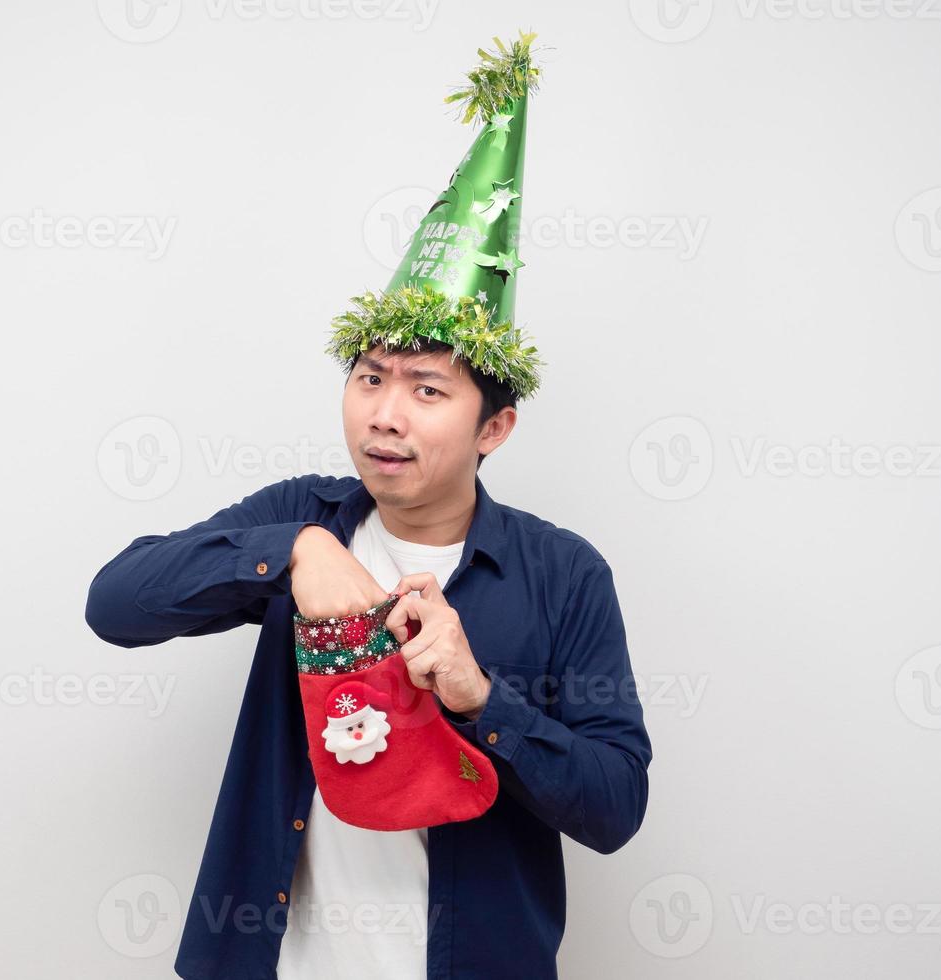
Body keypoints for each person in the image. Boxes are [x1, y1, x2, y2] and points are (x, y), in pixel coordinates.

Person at [84, 31, 652, 979]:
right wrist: (296, 549)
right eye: (369, 378)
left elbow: (615, 806)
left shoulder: (561, 574)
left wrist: (482, 698)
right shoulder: (307, 514)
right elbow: (115, 604)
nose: (385, 416)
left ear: (493, 428)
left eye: (427, 390)